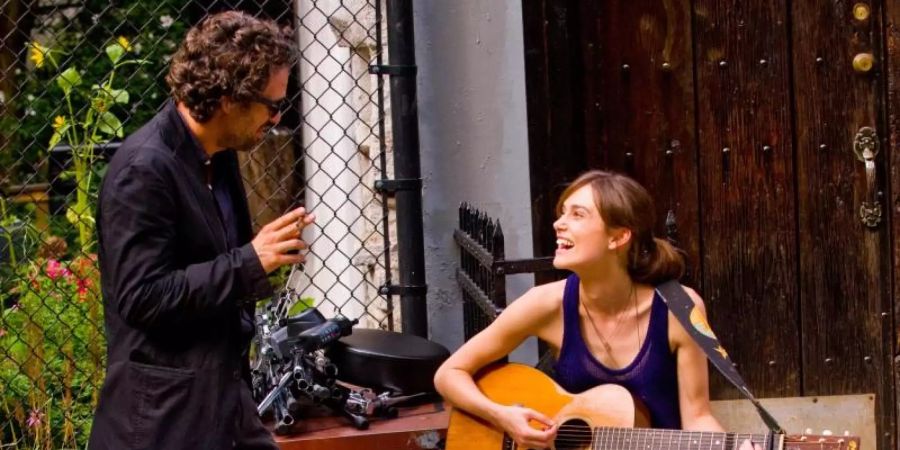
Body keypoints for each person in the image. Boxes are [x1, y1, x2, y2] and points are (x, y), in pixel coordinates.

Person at [88, 11, 311, 450]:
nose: (276, 117)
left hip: (224, 405)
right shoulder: (144, 170)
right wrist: (249, 261)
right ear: (230, 98)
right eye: (271, 104)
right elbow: (141, 297)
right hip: (163, 422)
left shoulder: (219, 154)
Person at [434, 170, 761, 450]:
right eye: (562, 213)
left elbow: (697, 416)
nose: (558, 224)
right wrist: (502, 416)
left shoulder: (679, 309)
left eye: (577, 215)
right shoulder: (546, 304)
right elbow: (449, 374)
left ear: (618, 237)